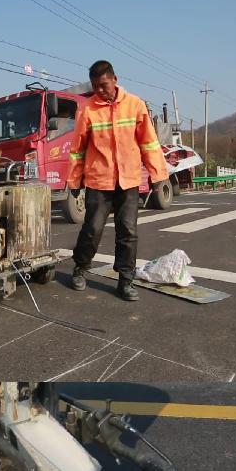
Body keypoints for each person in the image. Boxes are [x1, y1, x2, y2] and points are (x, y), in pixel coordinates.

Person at [66, 59, 170, 301]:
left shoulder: (135, 105)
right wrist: (74, 181)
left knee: (128, 232)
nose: (100, 91)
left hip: (129, 180)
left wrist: (157, 175)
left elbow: (149, 143)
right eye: (95, 86)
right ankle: (80, 267)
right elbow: (77, 149)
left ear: (115, 80)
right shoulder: (87, 109)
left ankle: (126, 280)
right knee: (92, 229)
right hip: (98, 181)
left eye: (103, 85)